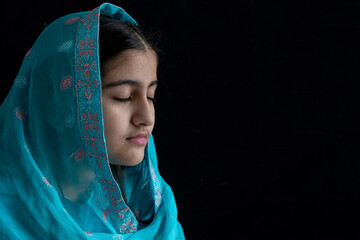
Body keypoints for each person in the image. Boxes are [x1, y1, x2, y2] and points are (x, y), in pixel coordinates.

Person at [0, 3, 184, 239]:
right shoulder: (6, 216)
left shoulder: (158, 217)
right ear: (58, 106)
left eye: (150, 97)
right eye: (124, 97)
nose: (146, 118)